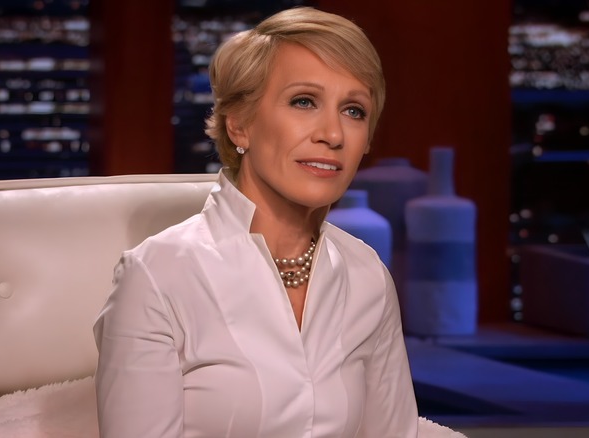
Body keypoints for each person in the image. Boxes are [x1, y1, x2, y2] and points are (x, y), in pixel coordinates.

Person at [93, 6, 418, 437]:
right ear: (240, 126)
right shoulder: (157, 276)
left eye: (354, 110)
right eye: (304, 101)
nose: (333, 134)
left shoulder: (367, 276)